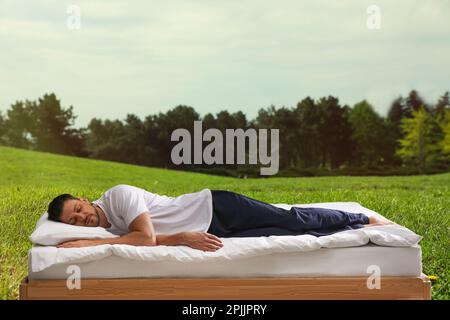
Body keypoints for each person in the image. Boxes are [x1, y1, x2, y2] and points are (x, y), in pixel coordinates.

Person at [47, 184, 391, 252]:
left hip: (218, 207)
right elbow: (140, 238)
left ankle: (360, 219)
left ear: (82, 199)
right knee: (277, 232)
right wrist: (183, 236)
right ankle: (349, 228)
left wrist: (181, 237)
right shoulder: (109, 228)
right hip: (212, 230)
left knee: (291, 219)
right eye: (74, 223)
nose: (82, 219)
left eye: (79, 211)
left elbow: (145, 238)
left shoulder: (118, 195)